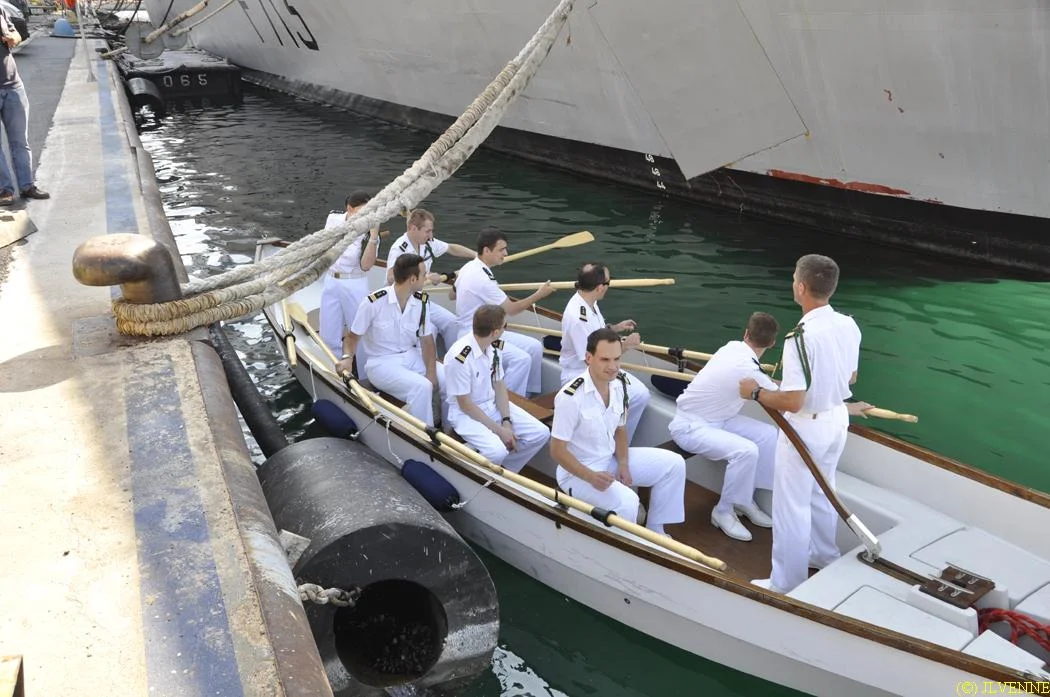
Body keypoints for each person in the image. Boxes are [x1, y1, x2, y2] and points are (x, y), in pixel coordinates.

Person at [739, 254, 862, 594]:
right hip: (837, 419)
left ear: (802, 287)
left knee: (791, 505)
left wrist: (756, 393)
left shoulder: (800, 338)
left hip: (806, 426)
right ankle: (824, 554)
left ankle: (786, 581)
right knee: (823, 492)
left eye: (794, 278)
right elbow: (851, 375)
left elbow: (793, 400)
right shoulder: (848, 325)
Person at [550, 328, 686, 535]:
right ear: (589, 358)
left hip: (609, 460)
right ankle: (628, 543)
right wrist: (590, 476)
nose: (613, 367)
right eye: (605, 359)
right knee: (629, 502)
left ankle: (655, 531)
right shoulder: (570, 397)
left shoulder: (618, 385)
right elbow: (557, 451)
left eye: (617, 359)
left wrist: (623, 463)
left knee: (674, 465)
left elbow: (620, 429)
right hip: (577, 474)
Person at [669, 312, 780, 542]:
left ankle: (744, 500)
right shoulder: (750, 369)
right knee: (746, 451)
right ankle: (723, 511)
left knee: (769, 436)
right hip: (691, 426)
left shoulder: (731, 346)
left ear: (746, 333)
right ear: (772, 344)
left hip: (720, 418)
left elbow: (768, 384)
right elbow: (784, 398)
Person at [335, 254, 443, 427]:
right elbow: (352, 336)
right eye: (424, 274)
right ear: (413, 279)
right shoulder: (373, 302)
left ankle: (448, 428)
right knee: (422, 387)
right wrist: (347, 358)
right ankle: (425, 438)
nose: (426, 277)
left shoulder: (421, 302)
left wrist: (432, 373)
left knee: (447, 377)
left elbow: (427, 340)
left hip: (411, 355)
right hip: (381, 363)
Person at [443, 304, 550, 472]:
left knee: (541, 433)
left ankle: (506, 471)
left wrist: (506, 421)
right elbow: (465, 404)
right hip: (466, 415)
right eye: (504, 326)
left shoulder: (493, 348)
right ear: (495, 332)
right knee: (497, 451)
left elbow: (499, 385)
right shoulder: (460, 357)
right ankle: (479, 475)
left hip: (491, 405)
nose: (505, 330)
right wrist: (500, 431)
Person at [453, 227, 554, 396]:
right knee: (522, 359)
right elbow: (512, 310)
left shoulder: (469, 267)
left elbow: (451, 294)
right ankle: (510, 401)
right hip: (476, 336)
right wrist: (539, 294)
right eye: (501, 249)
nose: (505, 253)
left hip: (487, 331)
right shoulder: (481, 277)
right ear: (486, 250)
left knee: (535, 347)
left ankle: (528, 394)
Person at [560, 262, 651, 443]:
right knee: (637, 395)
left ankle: (617, 442)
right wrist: (627, 346)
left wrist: (615, 328)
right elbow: (592, 360)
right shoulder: (578, 317)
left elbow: (596, 333)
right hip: (583, 373)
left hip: (596, 368)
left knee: (640, 394)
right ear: (600, 287)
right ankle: (613, 443)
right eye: (609, 282)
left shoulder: (587, 301)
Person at [385, 208, 475, 351]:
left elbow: (451, 248)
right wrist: (425, 276)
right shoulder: (400, 248)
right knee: (430, 330)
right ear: (414, 229)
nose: (431, 235)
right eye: (428, 231)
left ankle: (453, 361)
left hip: (419, 298)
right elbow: (390, 278)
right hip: (399, 303)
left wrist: (477, 256)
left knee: (452, 323)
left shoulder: (428, 242)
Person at [318, 190, 381, 361]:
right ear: (350, 209)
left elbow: (366, 266)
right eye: (363, 210)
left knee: (359, 331)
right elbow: (324, 245)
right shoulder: (334, 219)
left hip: (354, 283)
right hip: (331, 279)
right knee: (328, 330)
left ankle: (364, 376)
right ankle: (333, 368)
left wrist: (374, 236)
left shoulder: (369, 232)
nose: (367, 215)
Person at [0, 7, 48, 206]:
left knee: (20, 141)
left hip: (12, 85)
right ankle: (4, 190)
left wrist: (12, 38)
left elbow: (18, 35)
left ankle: (27, 186)